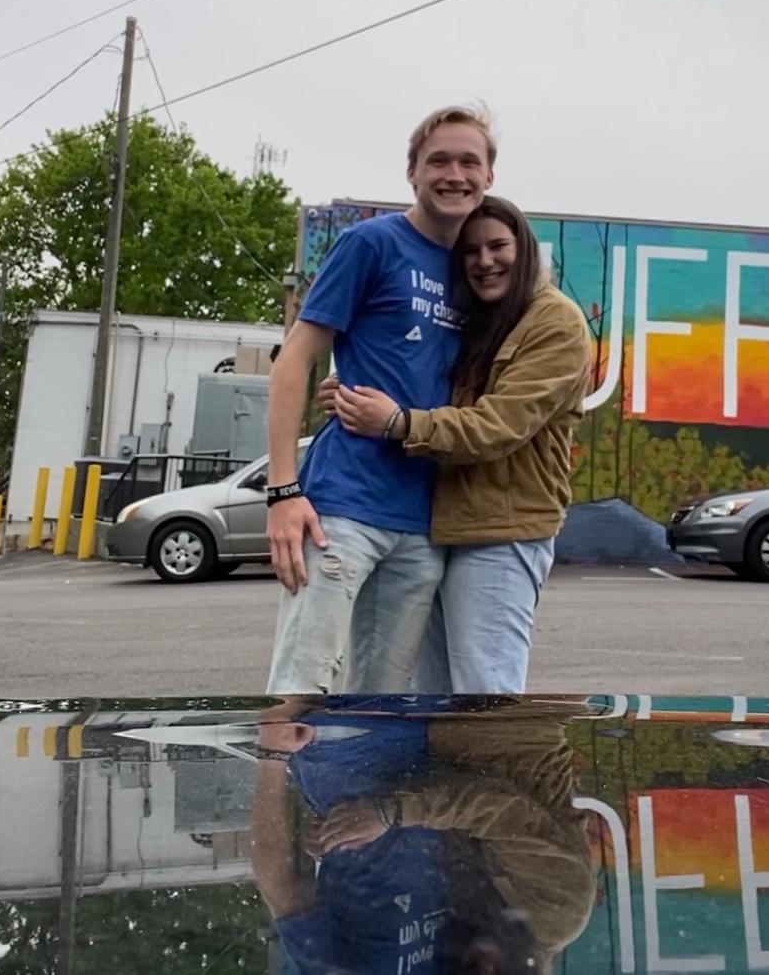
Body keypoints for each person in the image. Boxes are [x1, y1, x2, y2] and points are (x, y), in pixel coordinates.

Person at [263, 107, 495, 695]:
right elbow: (295, 358)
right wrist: (283, 491)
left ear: (489, 177)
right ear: (412, 171)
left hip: (424, 524)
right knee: (300, 689)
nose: (454, 174)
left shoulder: (478, 272)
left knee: (379, 704)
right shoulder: (371, 243)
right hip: (343, 509)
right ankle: (273, 792)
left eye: (470, 161)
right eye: (438, 159)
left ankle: (355, 794)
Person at [326, 196, 592, 695]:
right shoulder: (479, 319)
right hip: (441, 525)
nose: (484, 260)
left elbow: (499, 425)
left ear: (526, 248)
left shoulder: (556, 322)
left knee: (484, 696)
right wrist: (350, 392)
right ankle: (447, 778)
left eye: (498, 246)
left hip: (502, 532)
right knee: (434, 699)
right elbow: (428, 387)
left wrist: (398, 423)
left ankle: (496, 776)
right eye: (470, 250)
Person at [250, 696, 595, 975]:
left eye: (473, 971)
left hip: (416, 724)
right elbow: (500, 810)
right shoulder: (559, 913)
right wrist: (389, 814)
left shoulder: (465, 936)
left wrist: (328, 840)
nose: (484, 967)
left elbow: (285, 890)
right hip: (521, 709)